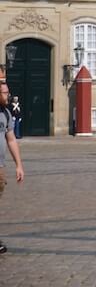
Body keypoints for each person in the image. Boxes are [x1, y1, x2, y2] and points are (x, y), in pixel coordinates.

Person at [0, 82, 27, 255]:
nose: (8, 96)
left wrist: (19, 165)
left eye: (8, 92)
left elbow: (11, 140)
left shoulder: (6, 113)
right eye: (4, 93)